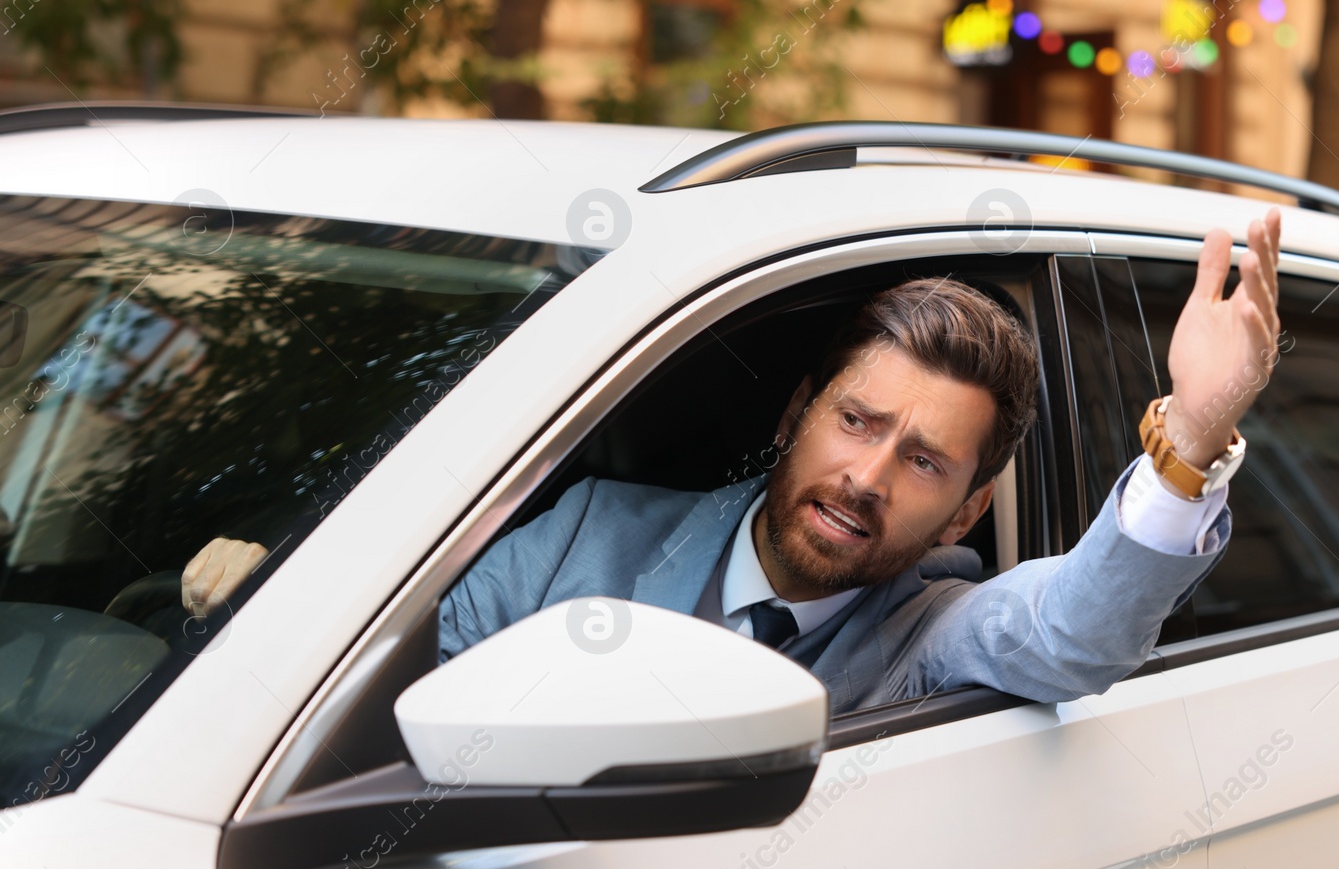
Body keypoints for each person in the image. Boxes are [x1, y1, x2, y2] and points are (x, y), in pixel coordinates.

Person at [187, 211, 1281, 714]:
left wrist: (1188, 437)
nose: (868, 475)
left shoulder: (926, 628)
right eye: (855, 422)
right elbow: (391, 691)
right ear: (797, 415)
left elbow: (1069, 632)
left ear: (964, 513)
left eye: (923, 461)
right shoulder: (585, 532)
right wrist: (285, 617)